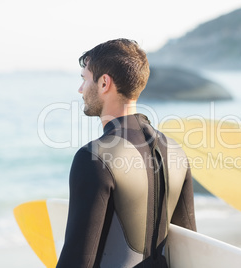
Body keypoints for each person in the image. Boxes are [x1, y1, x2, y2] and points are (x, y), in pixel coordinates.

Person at [56, 39, 197, 268]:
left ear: (104, 83)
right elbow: (191, 248)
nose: (80, 89)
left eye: (84, 79)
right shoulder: (176, 152)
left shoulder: (94, 158)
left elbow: (77, 260)